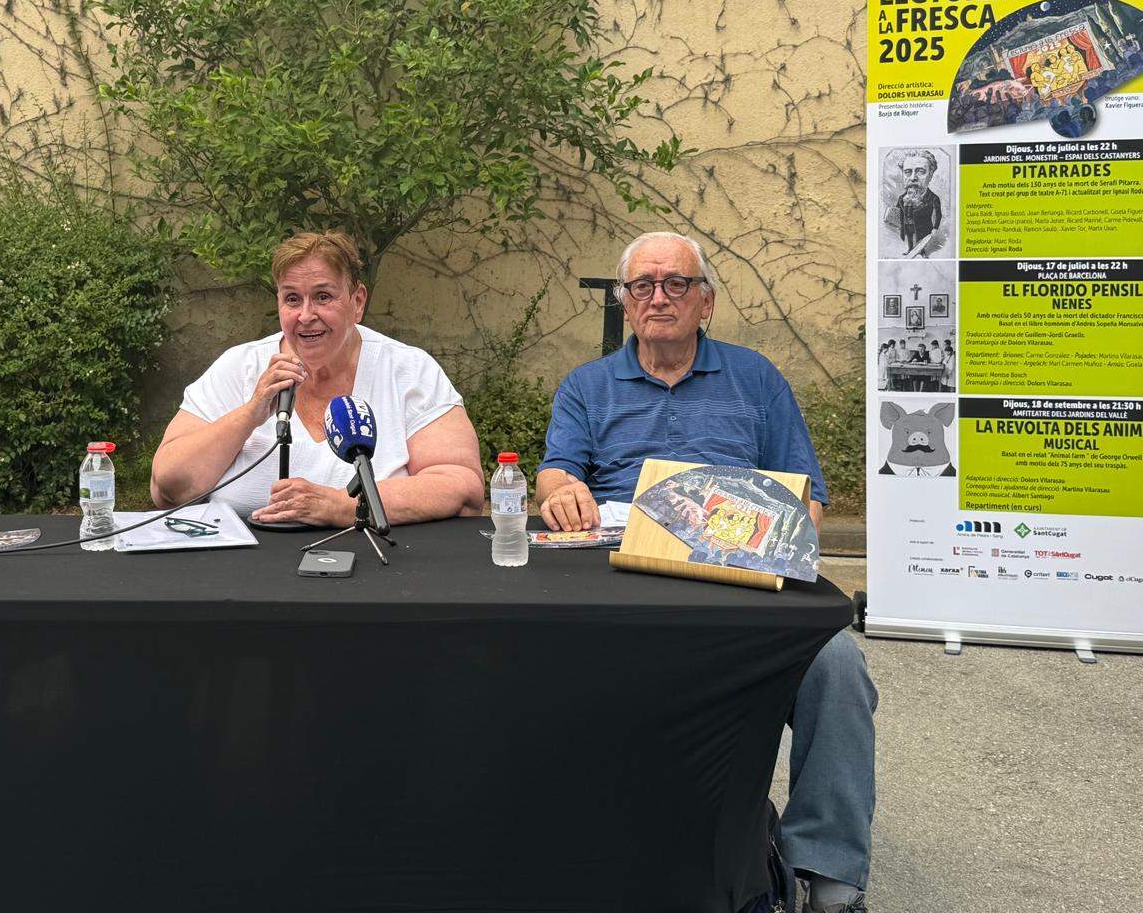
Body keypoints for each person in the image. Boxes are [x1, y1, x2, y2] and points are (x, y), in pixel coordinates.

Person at [535, 231, 876, 913]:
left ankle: (832, 875)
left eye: (676, 284)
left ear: (706, 302)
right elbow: (555, 469)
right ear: (626, 305)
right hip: (621, 572)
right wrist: (557, 489)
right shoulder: (587, 386)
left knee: (837, 666)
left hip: (738, 570)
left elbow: (807, 494)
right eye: (642, 286)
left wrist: (782, 540)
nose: (658, 297)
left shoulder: (755, 379)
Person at [150, 230, 483, 526]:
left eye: (323, 296)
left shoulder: (407, 369)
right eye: (292, 299)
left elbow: (460, 485)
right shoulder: (240, 367)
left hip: (378, 572)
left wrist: (346, 505)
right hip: (241, 578)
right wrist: (250, 414)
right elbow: (167, 488)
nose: (306, 316)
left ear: (357, 301)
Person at [886, 149, 943, 257]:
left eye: (920, 171)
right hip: (908, 227)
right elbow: (896, 214)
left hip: (924, 231)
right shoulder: (901, 198)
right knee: (910, 240)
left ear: (930, 175)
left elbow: (938, 214)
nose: (913, 178)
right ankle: (910, 249)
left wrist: (935, 228)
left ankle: (922, 252)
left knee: (921, 243)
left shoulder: (934, 198)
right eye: (907, 172)